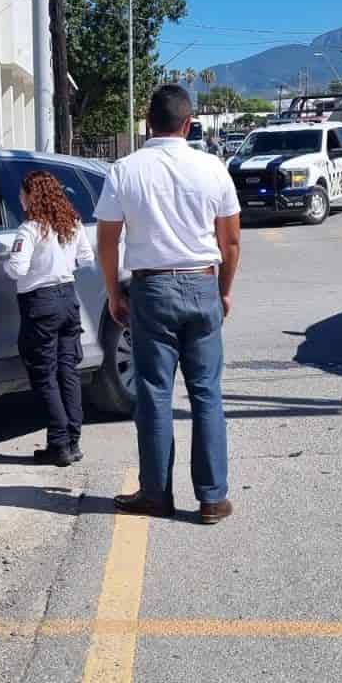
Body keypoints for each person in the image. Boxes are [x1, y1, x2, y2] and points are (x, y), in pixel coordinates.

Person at [96, 83, 242, 525]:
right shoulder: (212, 168)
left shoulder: (124, 170)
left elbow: (107, 242)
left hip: (151, 290)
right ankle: (212, 498)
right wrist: (224, 291)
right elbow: (231, 240)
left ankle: (156, 494)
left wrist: (113, 292)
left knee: (155, 394)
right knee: (206, 394)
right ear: (189, 123)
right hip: (201, 283)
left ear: (147, 124)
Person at [4, 171, 95, 467]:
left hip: (40, 303)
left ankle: (58, 443)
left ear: (33, 195)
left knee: (44, 374)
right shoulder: (71, 223)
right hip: (68, 299)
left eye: (22, 193)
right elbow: (87, 259)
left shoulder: (30, 229)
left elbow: (17, 269)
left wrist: (4, 260)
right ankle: (73, 441)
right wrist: (61, 266)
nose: (20, 198)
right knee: (67, 371)